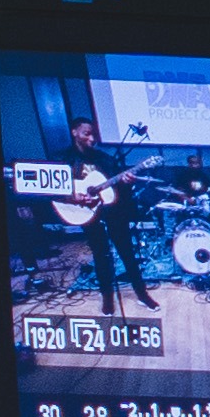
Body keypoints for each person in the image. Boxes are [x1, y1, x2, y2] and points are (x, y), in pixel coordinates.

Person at [63, 115, 156, 316]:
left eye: (94, 134)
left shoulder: (105, 159)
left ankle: (142, 294)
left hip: (113, 213)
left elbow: (118, 190)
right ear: (74, 132)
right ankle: (107, 298)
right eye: (87, 134)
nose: (92, 138)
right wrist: (72, 196)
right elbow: (55, 188)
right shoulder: (64, 159)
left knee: (128, 254)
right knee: (100, 255)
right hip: (87, 215)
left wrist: (126, 182)